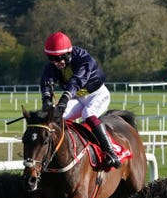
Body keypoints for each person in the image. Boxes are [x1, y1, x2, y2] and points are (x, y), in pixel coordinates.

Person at [40, 31, 121, 169]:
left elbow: (76, 81)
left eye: (59, 58)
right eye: (52, 59)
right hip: (78, 98)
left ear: (68, 54)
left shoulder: (84, 59)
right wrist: (46, 99)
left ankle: (111, 152)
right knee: (57, 117)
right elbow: (47, 81)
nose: (57, 63)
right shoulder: (54, 65)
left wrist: (64, 99)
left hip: (98, 95)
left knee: (88, 114)